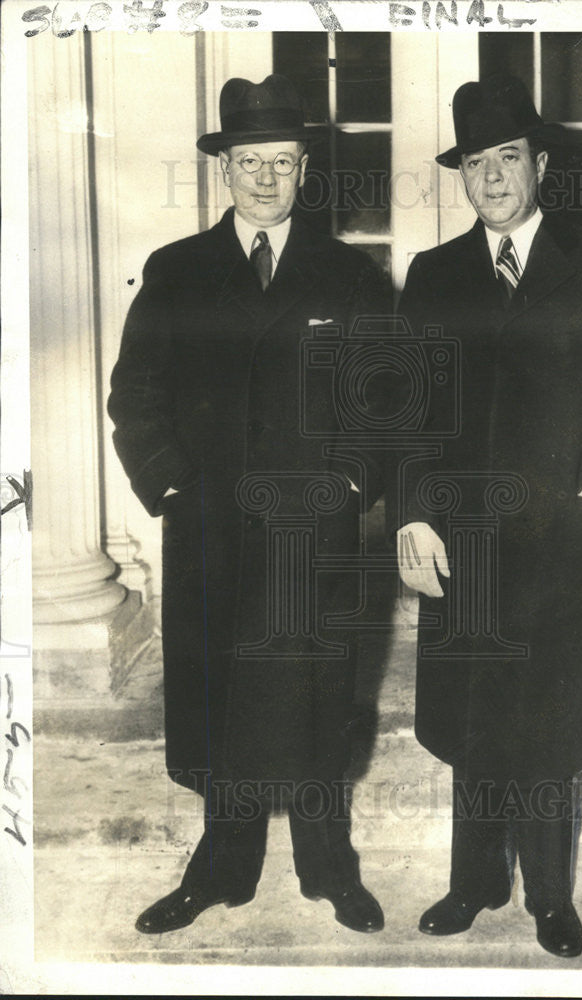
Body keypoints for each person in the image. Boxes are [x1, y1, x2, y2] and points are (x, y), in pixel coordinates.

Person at [394, 73, 582, 957]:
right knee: (471, 719)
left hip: (565, 540)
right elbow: (402, 410)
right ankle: (472, 882)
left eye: (507, 158)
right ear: (462, 176)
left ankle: (550, 897)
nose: (492, 177)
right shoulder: (436, 275)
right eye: (475, 163)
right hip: (461, 545)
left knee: (549, 726)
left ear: (539, 164)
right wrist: (413, 516)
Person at [108, 74, 389, 935]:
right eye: (249, 161)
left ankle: (327, 865)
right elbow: (136, 393)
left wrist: (349, 486)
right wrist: (173, 489)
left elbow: (390, 400)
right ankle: (222, 866)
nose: (266, 178)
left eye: (283, 161)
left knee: (316, 691)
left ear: (305, 169)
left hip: (315, 528)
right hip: (214, 527)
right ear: (224, 169)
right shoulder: (177, 269)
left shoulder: (350, 274)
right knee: (221, 693)